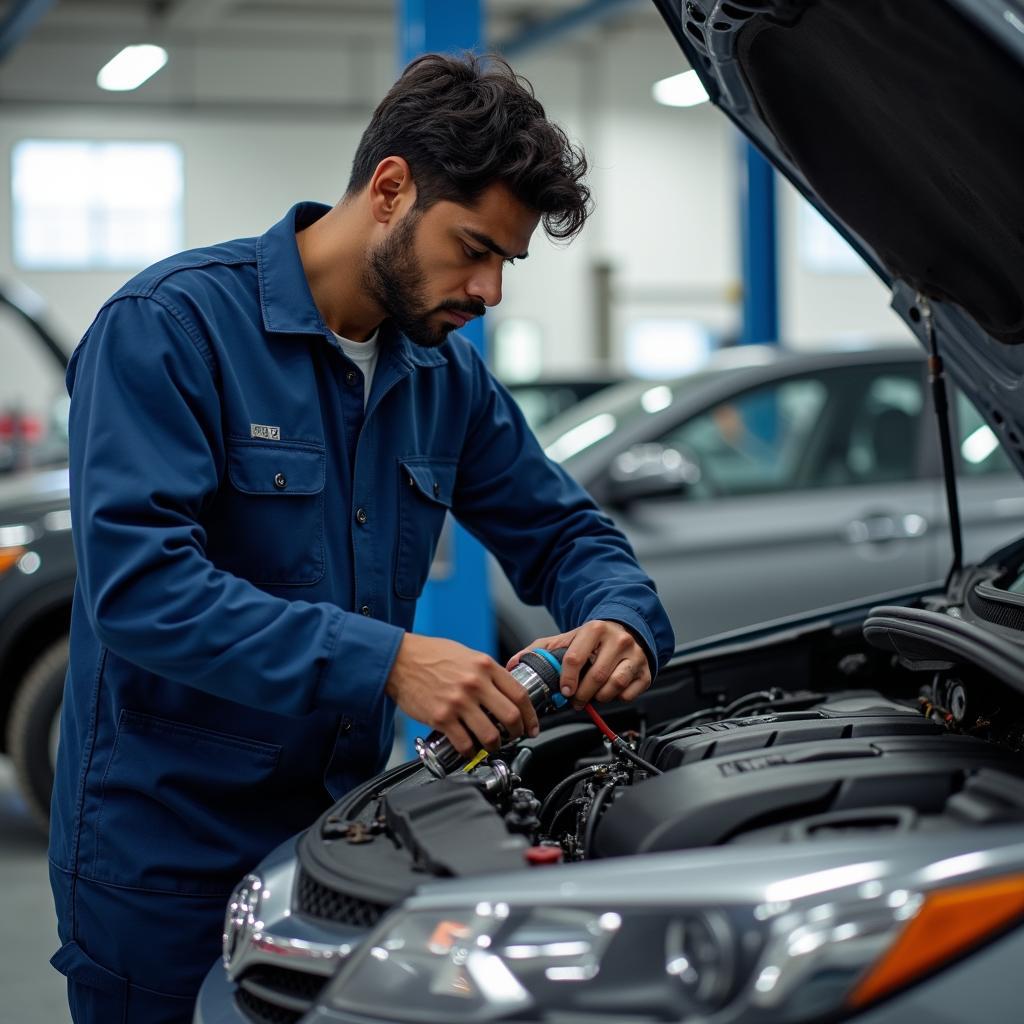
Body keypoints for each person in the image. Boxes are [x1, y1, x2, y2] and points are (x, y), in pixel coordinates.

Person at [48, 52, 674, 1022]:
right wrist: (388, 662)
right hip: (162, 863)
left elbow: (565, 530)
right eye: (472, 247)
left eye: (504, 262)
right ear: (390, 190)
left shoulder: (442, 378)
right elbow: (140, 589)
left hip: (337, 846)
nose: (489, 291)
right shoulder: (170, 328)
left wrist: (621, 620)